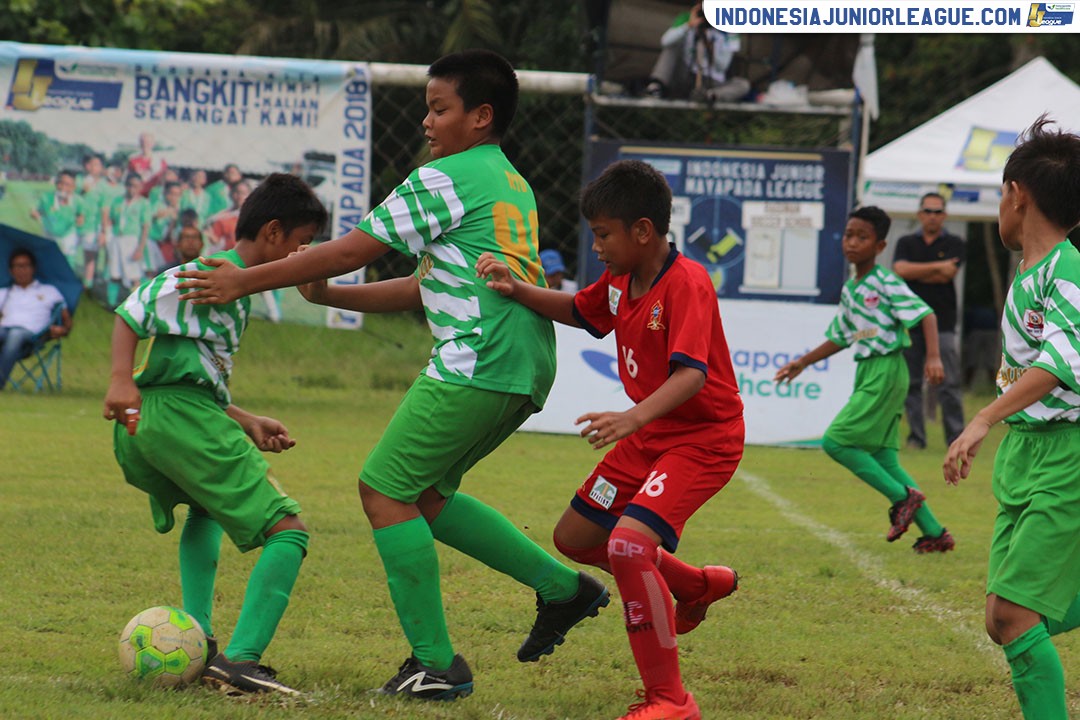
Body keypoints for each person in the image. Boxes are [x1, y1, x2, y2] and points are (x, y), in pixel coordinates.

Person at [175, 49, 609, 701]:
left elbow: (353, 249)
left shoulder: (445, 177)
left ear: (481, 116)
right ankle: (562, 588)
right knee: (424, 496)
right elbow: (420, 286)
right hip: (522, 360)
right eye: (427, 109)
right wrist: (328, 296)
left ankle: (436, 666)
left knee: (382, 489)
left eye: (440, 108)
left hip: (479, 357)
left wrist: (244, 280)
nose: (427, 122)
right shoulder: (507, 180)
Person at [477, 159, 743, 720]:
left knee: (626, 546)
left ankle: (671, 701)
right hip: (649, 437)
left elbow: (691, 376)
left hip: (701, 441)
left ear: (642, 231)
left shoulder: (688, 282)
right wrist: (517, 289)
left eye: (602, 235)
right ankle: (694, 586)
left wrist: (632, 418)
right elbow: (581, 311)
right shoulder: (621, 280)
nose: (596, 248)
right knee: (576, 537)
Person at [103, 173, 328, 696]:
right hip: (173, 416)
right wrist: (118, 380)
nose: (303, 257)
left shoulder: (237, 290)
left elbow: (194, 371)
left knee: (205, 509)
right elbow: (133, 310)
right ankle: (240, 662)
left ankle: (199, 636)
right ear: (273, 232)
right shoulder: (212, 273)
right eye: (301, 244)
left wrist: (244, 418)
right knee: (288, 531)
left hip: (166, 418)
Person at [944, 116, 1080, 720]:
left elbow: (1059, 362)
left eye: (1001, 194)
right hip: (1026, 455)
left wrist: (982, 419)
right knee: (1001, 619)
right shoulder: (1029, 272)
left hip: (1066, 454)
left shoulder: (1067, 270)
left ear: (1016, 195)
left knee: (1014, 615)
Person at [775, 206, 956, 553]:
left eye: (862, 237)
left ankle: (902, 498)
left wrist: (933, 356)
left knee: (836, 441)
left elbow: (926, 314)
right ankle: (935, 533)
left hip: (887, 368)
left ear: (880, 246)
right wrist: (803, 362)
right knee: (884, 458)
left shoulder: (885, 282)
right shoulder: (851, 289)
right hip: (868, 371)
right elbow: (841, 336)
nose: (852, 243)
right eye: (848, 235)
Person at [892, 192, 966, 449]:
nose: (932, 216)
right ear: (919, 214)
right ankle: (916, 437)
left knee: (949, 383)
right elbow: (900, 270)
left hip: (943, 323)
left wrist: (916, 272)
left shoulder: (955, 242)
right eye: (927, 211)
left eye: (937, 212)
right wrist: (937, 266)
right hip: (911, 323)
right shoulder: (905, 242)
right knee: (910, 383)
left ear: (944, 215)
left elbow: (948, 274)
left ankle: (956, 439)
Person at [645, 2, 749, 103]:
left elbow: (722, 66)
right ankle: (657, 86)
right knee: (673, 44)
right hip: (686, 73)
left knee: (743, 85)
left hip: (712, 79)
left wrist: (709, 45)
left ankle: (710, 96)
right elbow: (665, 42)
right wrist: (689, 25)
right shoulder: (687, 19)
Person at [0, 248, 72, 389]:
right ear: (10, 270)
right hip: (4, 331)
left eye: (25, 266)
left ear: (33, 268)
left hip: (33, 336)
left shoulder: (49, 291)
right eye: (17, 266)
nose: (22, 270)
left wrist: (63, 330)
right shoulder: (4, 293)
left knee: (16, 334)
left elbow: (66, 319)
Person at [103, 174, 151, 308]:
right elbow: (111, 219)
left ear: (140, 187)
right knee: (114, 273)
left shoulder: (144, 204)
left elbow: (145, 227)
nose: (132, 189)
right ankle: (111, 303)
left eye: (135, 186)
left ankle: (136, 305)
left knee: (134, 274)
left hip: (132, 241)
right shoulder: (118, 201)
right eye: (129, 185)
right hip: (117, 239)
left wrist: (140, 249)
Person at [29, 170, 83, 270]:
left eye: (67, 185)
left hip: (68, 234)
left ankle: (67, 277)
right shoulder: (46, 197)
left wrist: (80, 219)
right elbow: (36, 210)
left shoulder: (77, 200)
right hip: (49, 233)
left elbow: (81, 214)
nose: (63, 187)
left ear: (73, 187)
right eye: (61, 183)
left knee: (68, 260)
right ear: (56, 183)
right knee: (49, 259)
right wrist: (34, 214)